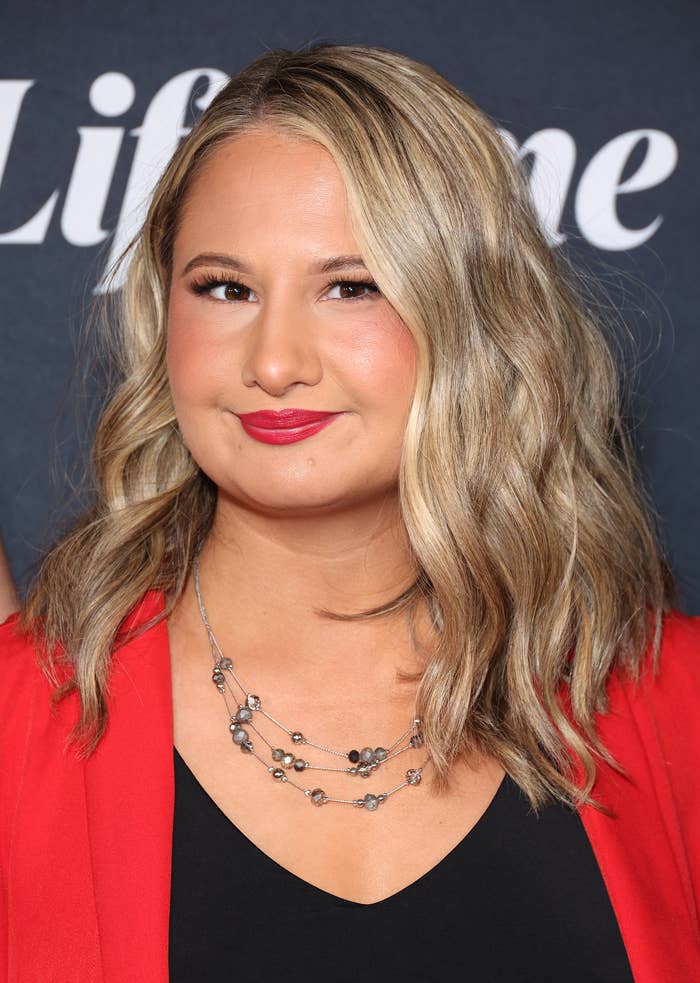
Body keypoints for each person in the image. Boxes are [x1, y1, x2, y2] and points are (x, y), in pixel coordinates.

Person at [1, 43, 698, 983]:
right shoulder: (22, 722)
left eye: (349, 286)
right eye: (225, 288)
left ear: (475, 315)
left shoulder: (672, 702)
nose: (276, 360)